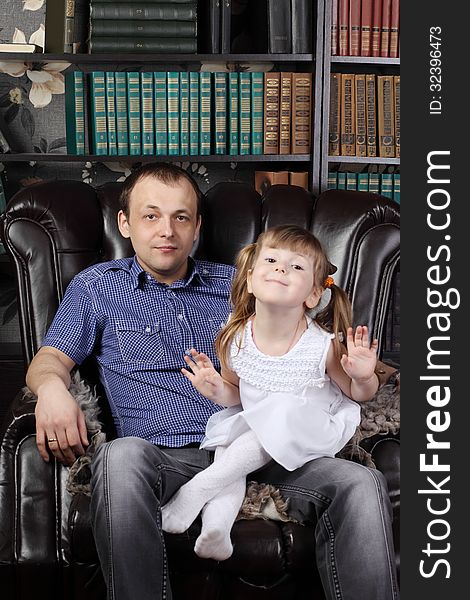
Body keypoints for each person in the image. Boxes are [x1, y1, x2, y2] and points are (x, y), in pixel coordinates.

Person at [26, 162, 399, 600]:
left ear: (198, 226)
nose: (167, 230)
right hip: (166, 455)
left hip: (271, 449)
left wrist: (361, 368)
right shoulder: (97, 288)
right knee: (119, 457)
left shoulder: (244, 286)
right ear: (124, 224)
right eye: (151, 216)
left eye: (181, 217)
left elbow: (313, 339)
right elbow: (50, 358)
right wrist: (51, 389)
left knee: (360, 482)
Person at [161, 224, 380, 561]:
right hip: (257, 431)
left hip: (310, 429)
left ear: (312, 295)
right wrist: (217, 388)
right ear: (250, 278)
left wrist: (363, 376)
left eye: (296, 267)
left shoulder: (320, 345)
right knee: (228, 444)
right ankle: (216, 529)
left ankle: (198, 488)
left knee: (279, 410)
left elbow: (357, 393)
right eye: (273, 260)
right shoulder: (234, 338)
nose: (281, 268)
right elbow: (237, 393)